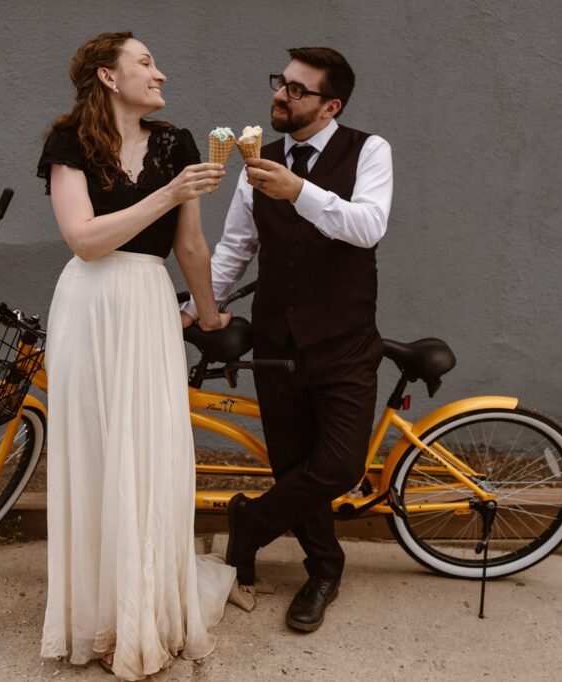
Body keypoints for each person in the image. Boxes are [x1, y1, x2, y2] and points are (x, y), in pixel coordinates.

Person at [37, 32, 236, 679]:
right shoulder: (68, 143)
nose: (161, 73)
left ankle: (145, 613)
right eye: (146, 63)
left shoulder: (176, 142)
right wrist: (170, 191)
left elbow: (192, 247)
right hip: (88, 309)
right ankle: (97, 617)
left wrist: (208, 317)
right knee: (96, 453)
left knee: (150, 454)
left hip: (150, 307)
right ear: (106, 75)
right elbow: (85, 239)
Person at [180, 47, 393, 633]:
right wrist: (194, 308)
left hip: (346, 343)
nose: (280, 94)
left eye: (297, 89)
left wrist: (299, 190)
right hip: (277, 342)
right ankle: (324, 569)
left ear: (331, 106)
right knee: (293, 465)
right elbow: (234, 251)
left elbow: (369, 225)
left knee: (339, 466)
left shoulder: (369, 150)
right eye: (281, 82)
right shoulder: (258, 161)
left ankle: (249, 523)